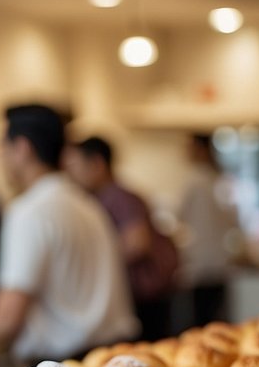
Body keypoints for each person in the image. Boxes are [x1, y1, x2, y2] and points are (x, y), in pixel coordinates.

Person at [0, 105, 138, 367]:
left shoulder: (28, 211)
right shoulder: (89, 205)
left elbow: (9, 315)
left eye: (3, 147)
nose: (1, 158)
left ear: (22, 148)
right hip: (113, 357)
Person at [65, 136, 180, 341]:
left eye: (75, 165)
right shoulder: (99, 198)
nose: (71, 173)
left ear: (98, 164)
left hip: (144, 296)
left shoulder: (119, 197)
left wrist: (98, 265)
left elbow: (137, 243)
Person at [174, 133, 239, 326]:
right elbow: (233, 220)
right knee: (218, 319)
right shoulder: (220, 180)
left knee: (199, 322)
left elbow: (179, 215)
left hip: (199, 264)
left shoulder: (194, 181)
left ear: (200, 149)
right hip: (219, 261)